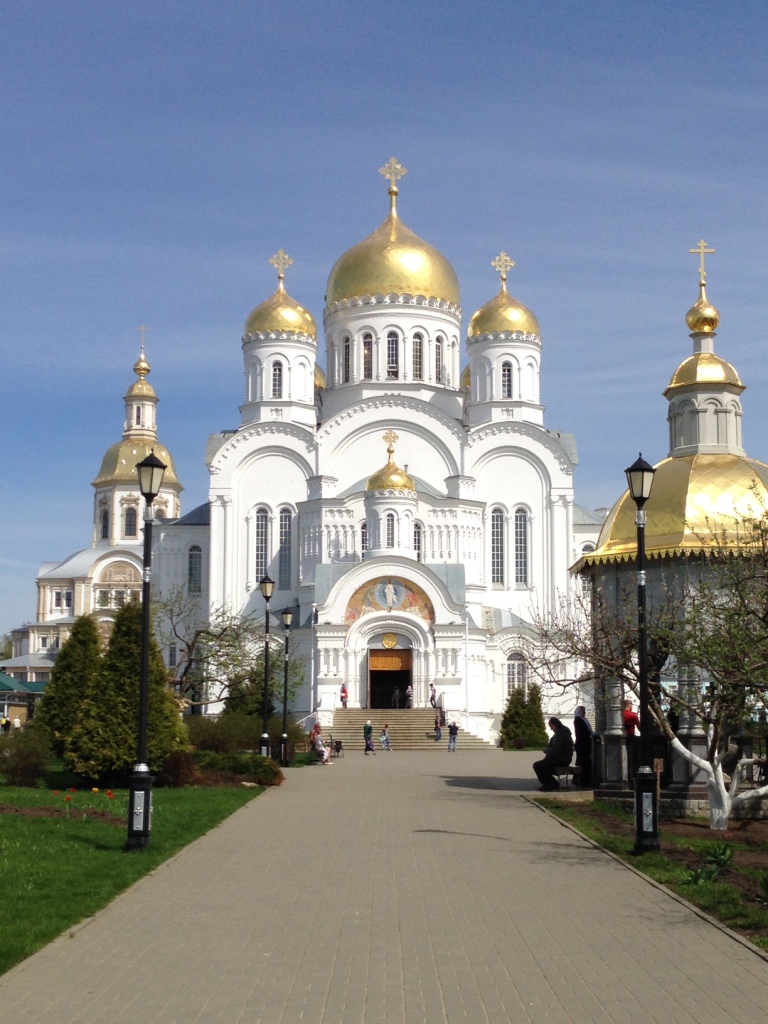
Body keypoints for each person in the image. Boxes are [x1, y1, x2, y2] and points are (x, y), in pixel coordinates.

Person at [533, 717, 574, 791]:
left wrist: (547, 750)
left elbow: (556, 750)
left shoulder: (560, 734)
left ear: (555, 725)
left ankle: (549, 783)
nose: (551, 729)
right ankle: (551, 782)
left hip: (561, 759)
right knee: (544, 764)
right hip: (565, 759)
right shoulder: (564, 732)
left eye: (551, 726)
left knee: (538, 766)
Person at [573, 706, 593, 787]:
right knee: (582, 762)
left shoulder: (584, 719)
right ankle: (580, 780)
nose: (584, 712)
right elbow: (582, 732)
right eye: (583, 711)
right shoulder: (578, 720)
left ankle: (583, 779)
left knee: (585, 762)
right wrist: (589, 734)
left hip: (585, 743)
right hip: (582, 744)